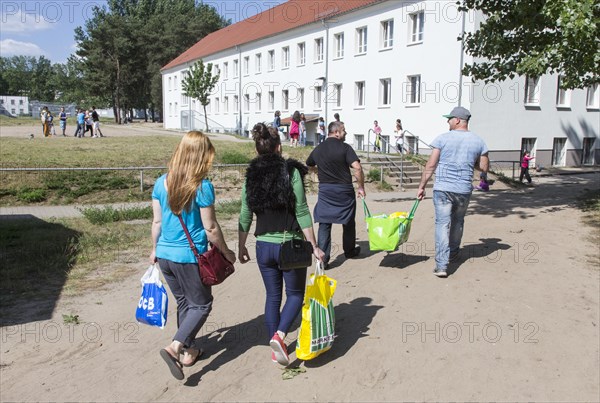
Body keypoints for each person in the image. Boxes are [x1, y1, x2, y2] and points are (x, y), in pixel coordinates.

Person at [150, 131, 236, 380]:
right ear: (202, 157)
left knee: (185, 303)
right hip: (189, 257)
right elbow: (210, 228)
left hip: (165, 255)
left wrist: (154, 249)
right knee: (202, 304)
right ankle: (175, 348)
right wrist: (227, 252)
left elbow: (157, 222)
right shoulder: (203, 186)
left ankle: (189, 351)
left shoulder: (160, 182)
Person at [238, 122, 324, 366]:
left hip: (262, 246)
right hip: (290, 245)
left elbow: (245, 213)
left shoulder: (250, 177)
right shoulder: (291, 172)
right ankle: (280, 336)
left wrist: (241, 246)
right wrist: (314, 246)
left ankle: (274, 347)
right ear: (279, 148)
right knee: (296, 295)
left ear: (257, 150)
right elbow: (302, 211)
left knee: (272, 296)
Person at [416, 106, 489, 278]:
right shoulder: (479, 141)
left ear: (457, 120)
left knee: (442, 224)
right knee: (458, 221)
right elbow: (484, 168)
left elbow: (431, 165)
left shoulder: (442, 139)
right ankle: (454, 252)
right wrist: (472, 164)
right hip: (463, 189)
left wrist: (422, 186)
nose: (447, 121)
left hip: (442, 189)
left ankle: (441, 265)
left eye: (449, 119)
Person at [306, 121, 365, 269]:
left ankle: (323, 260)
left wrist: (316, 172)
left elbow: (309, 164)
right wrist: (361, 187)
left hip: (326, 191)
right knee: (348, 221)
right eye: (344, 130)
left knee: (325, 223)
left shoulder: (318, 149)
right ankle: (350, 251)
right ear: (336, 132)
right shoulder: (345, 148)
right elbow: (357, 167)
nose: (345, 133)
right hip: (344, 191)